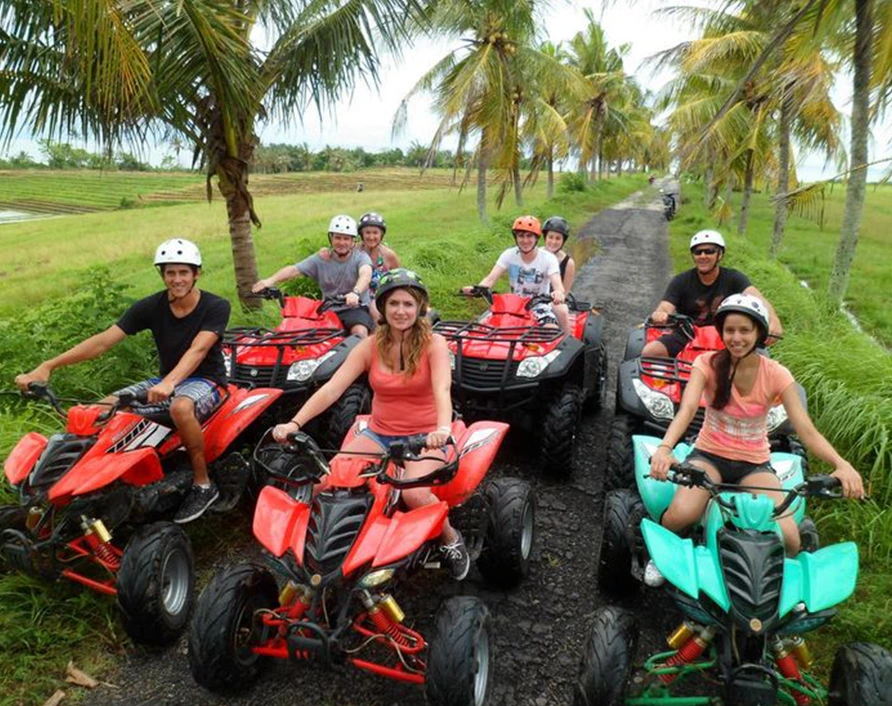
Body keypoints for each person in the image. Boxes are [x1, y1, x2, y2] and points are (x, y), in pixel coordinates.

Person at [271, 269, 470, 580]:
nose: (401, 311)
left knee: (414, 495)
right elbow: (332, 389)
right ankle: (324, 554)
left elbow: (442, 390)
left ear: (420, 308)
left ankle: (450, 540)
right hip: (379, 434)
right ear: (382, 307)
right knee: (327, 482)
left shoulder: (435, 343)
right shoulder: (370, 346)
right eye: (393, 304)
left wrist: (441, 430)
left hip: (425, 436)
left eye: (408, 304)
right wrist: (295, 422)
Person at [15, 238, 231, 523]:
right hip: (163, 378)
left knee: (180, 407)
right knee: (99, 409)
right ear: (162, 274)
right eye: (170, 272)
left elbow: (198, 349)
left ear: (196, 274)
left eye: (183, 272)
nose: (176, 279)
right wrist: (48, 365)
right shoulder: (151, 306)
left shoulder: (216, 306)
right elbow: (103, 342)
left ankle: (203, 484)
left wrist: (169, 384)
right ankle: (89, 485)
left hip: (205, 379)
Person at [649, 294, 864, 563]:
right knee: (680, 516)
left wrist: (841, 464)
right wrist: (665, 448)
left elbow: (805, 429)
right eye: (729, 330)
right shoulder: (706, 364)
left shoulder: (777, 374)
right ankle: (658, 559)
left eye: (745, 330)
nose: (736, 338)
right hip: (709, 456)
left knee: (791, 539)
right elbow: (688, 409)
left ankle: (777, 589)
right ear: (721, 332)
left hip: (754, 464)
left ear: (758, 332)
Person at [642, 229, 783, 358]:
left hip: (725, 335)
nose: (703, 256)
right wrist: (661, 313)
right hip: (687, 332)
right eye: (698, 252)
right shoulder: (681, 280)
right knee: (650, 352)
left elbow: (757, 298)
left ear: (720, 254)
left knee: (761, 360)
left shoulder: (734, 278)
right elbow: (666, 305)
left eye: (709, 251)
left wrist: (774, 320)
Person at [253, 215, 374, 338]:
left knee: (359, 332)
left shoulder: (360, 257)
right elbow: (295, 270)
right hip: (328, 310)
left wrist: (355, 292)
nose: (341, 242)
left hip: (355, 309)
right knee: (308, 336)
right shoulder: (321, 259)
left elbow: (365, 274)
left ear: (353, 241)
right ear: (331, 238)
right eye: (337, 238)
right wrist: (270, 280)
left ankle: (362, 356)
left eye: (346, 239)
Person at [462, 215, 572, 336]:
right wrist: (476, 289)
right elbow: (490, 279)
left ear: (536, 238)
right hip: (512, 306)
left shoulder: (548, 258)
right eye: (521, 236)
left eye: (529, 236)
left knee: (550, 330)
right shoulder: (509, 254)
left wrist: (558, 293)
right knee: (481, 327)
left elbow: (558, 285)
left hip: (539, 306)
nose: (525, 241)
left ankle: (566, 343)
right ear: (516, 238)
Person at [320, 212, 401, 323]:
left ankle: (380, 338)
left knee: (376, 312)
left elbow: (399, 280)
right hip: (355, 298)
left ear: (381, 235)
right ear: (361, 234)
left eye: (375, 233)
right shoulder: (353, 252)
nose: (371, 237)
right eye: (367, 233)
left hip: (382, 297)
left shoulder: (389, 255)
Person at [542, 215, 576, 293]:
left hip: (554, 302)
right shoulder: (536, 254)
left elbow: (564, 293)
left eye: (558, 238)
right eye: (550, 237)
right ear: (545, 237)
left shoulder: (568, 263)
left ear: (563, 241)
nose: (553, 242)